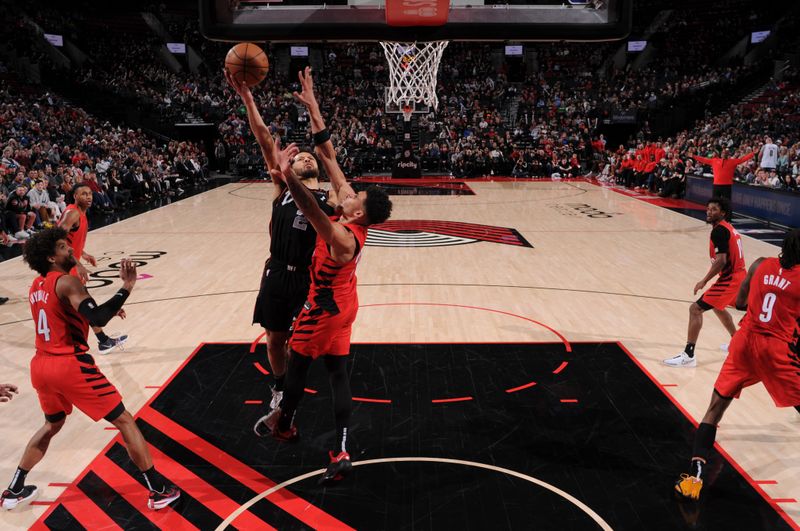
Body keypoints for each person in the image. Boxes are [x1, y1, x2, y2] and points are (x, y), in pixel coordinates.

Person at [261, 71, 393, 484]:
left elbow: (312, 209)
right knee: (337, 372)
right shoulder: (356, 213)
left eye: (355, 196)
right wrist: (314, 106)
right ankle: (341, 449)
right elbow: (330, 157)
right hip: (346, 306)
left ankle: (284, 423)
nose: (349, 191)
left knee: (298, 367)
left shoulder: (342, 238)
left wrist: (288, 175)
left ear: (356, 213)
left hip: (324, 309)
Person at [0, 229, 179, 511]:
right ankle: (158, 489)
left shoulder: (36, 285)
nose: (69, 250)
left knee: (52, 424)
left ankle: (14, 489)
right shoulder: (67, 281)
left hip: (40, 366)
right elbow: (96, 316)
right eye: (62, 247)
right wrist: (126, 288)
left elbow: (70, 312)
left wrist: (104, 308)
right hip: (69, 365)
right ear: (50, 257)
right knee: (124, 420)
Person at [223, 69, 339, 419]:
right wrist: (246, 97)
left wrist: (314, 108)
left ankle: (302, 387)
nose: (304, 157)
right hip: (275, 274)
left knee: (304, 345)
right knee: (274, 339)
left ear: (316, 167)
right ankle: (279, 386)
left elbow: (328, 152)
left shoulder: (329, 199)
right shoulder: (282, 188)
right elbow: (261, 136)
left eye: (309, 157)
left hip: (308, 277)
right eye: (299, 156)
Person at [675, 229, 800, 500]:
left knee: (713, 411)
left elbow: (740, 302)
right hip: (775, 351)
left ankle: (694, 478)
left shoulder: (760, 264)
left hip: (744, 343)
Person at [664, 197, 746, 367]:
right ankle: (738, 343)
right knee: (717, 306)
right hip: (737, 276)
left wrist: (704, 280)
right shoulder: (728, 228)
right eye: (708, 208)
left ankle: (688, 355)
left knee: (695, 309)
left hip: (731, 278)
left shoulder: (719, 231)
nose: (709, 212)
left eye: (714, 209)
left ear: (722, 212)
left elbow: (721, 260)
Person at [58, 183, 128, 355]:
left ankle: (103, 341)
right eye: (83, 194)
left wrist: (84, 254)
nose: (88, 197)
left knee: (84, 306)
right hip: (63, 269)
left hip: (68, 265)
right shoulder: (73, 212)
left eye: (89, 193)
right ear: (75, 196)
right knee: (83, 306)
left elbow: (70, 241)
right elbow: (57, 239)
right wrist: (78, 263)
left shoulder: (81, 213)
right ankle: (95, 342)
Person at [690, 147, 756, 203]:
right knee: (715, 203)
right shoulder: (714, 160)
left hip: (727, 186)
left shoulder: (732, 161)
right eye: (723, 152)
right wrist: (693, 156)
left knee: (726, 204)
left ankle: (727, 217)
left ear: (728, 154)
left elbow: (742, 160)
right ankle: (715, 217)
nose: (724, 154)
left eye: (726, 153)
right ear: (721, 154)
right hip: (716, 185)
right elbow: (703, 159)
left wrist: (753, 153)